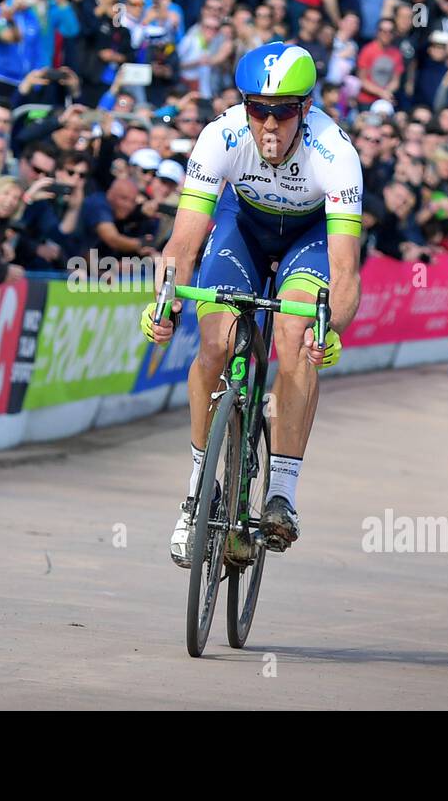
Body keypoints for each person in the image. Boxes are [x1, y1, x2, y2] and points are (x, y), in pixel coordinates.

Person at [142, 42, 363, 565]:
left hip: (308, 241)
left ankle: (282, 491)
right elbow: (183, 244)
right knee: (215, 344)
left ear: (305, 109)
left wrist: (331, 331)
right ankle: (198, 492)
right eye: (257, 108)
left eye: (283, 110)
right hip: (242, 230)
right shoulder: (220, 136)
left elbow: (346, 274)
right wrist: (165, 302)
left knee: (293, 333)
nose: (268, 123)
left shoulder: (335, 154)